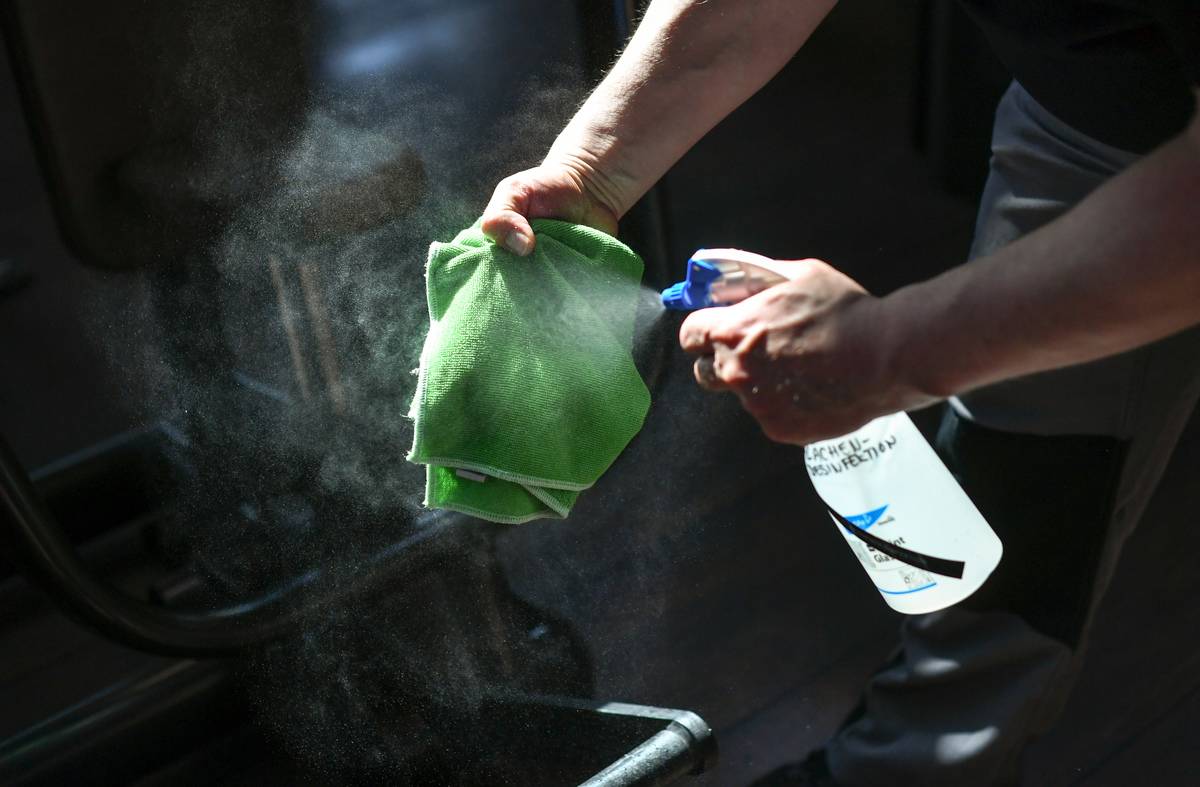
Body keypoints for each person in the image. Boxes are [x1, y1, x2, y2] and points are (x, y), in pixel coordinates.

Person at [480, 1, 1200, 784]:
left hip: (1161, 163)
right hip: (1082, 94)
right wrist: (592, 166)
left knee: (1015, 556)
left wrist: (892, 348)